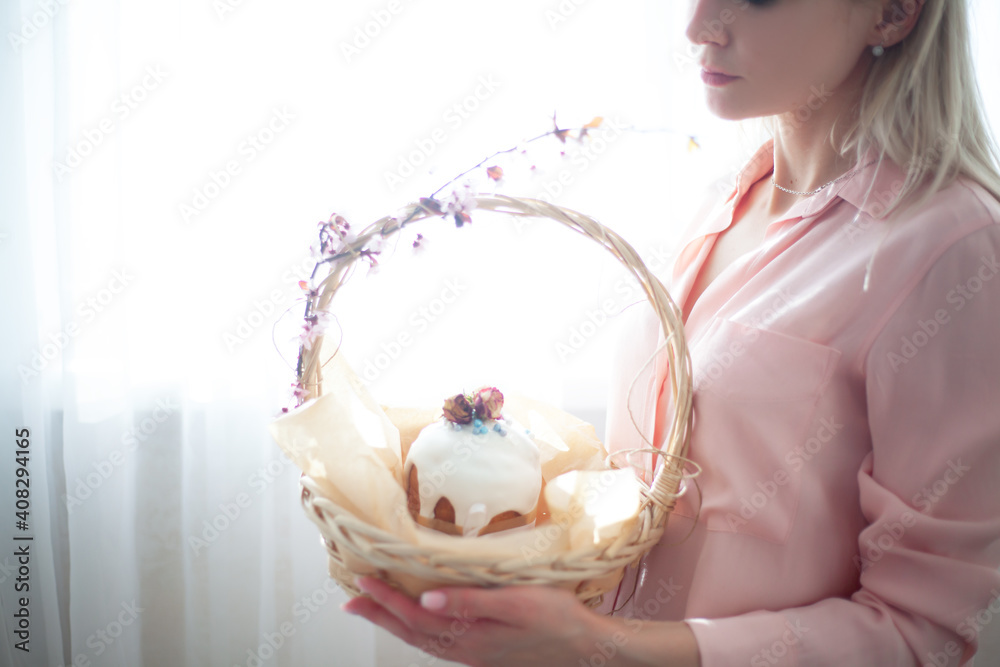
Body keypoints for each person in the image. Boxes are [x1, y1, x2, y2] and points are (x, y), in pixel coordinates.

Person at [341, 1, 1000, 664]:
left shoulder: (953, 251)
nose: (696, 27)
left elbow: (923, 634)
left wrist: (600, 647)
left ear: (891, 13)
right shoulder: (726, 201)